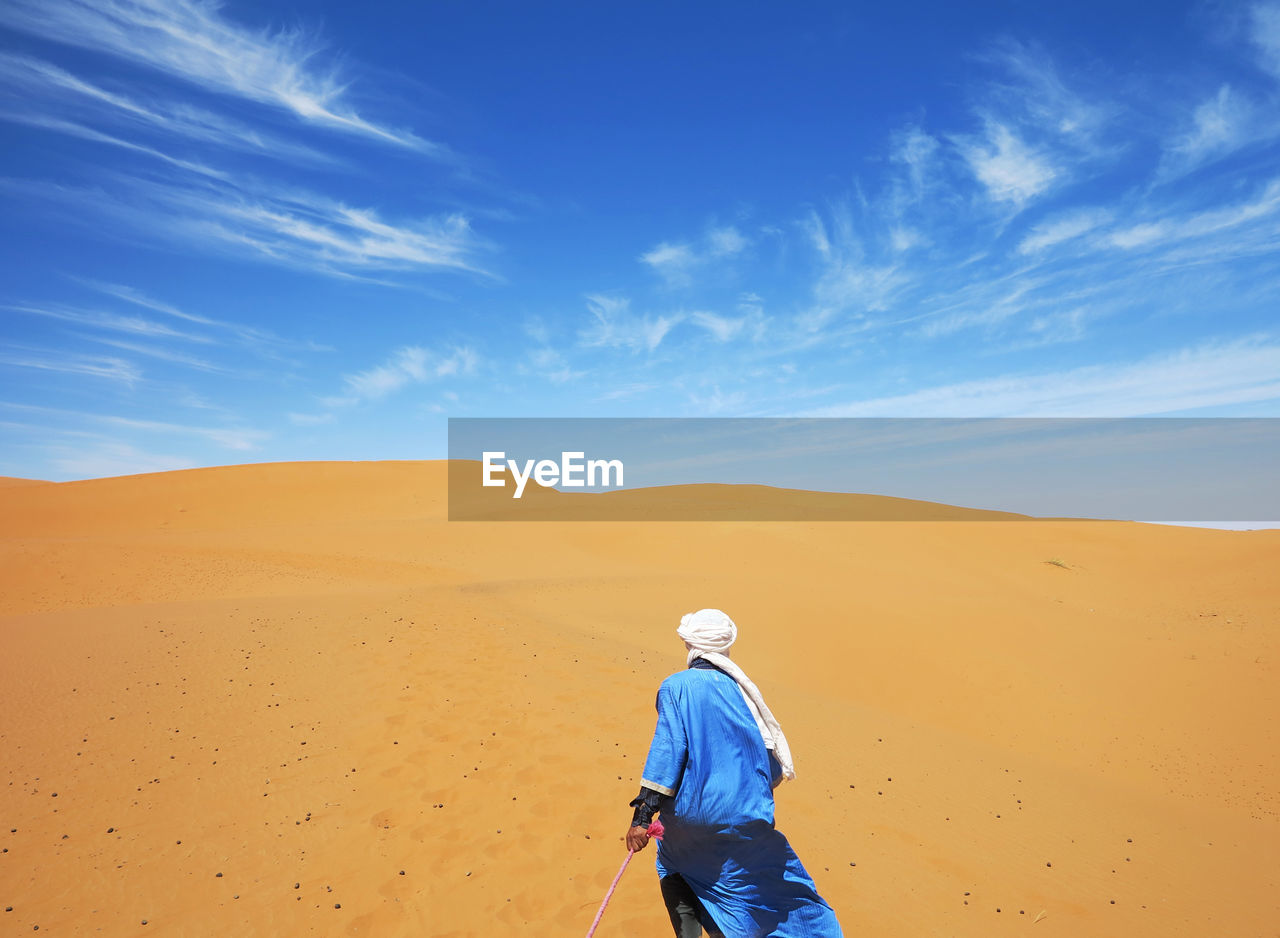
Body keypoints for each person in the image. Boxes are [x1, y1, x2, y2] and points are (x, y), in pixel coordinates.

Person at [625, 609, 843, 938]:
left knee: (673, 863)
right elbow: (770, 763)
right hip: (748, 816)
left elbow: (668, 752)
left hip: (692, 818)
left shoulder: (676, 687)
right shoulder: (746, 694)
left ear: (688, 642)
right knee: (757, 890)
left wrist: (643, 816)